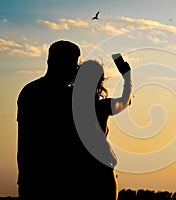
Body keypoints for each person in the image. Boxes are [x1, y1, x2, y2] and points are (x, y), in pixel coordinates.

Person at [16, 40, 132, 199]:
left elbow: (26, 142)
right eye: (74, 64)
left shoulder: (29, 92)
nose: (74, 70)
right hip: (63, 184)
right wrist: (127, 76)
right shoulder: (72, 99)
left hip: (34, 180)